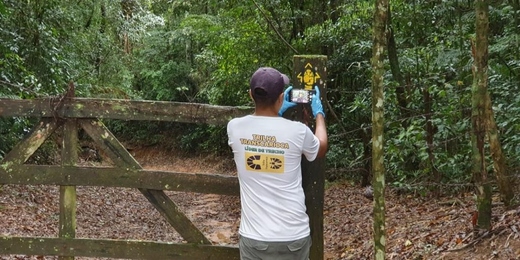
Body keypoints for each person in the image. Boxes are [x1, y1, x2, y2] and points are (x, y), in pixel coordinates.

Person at [227, 67, 328, 260]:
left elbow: (263, 129)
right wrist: (319, 114)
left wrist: (277, 112)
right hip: (293, 236)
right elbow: (320, 148)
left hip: (254, 237)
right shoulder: (297, 131)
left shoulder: (234, 127)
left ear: (251, 95)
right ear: (281, 97)